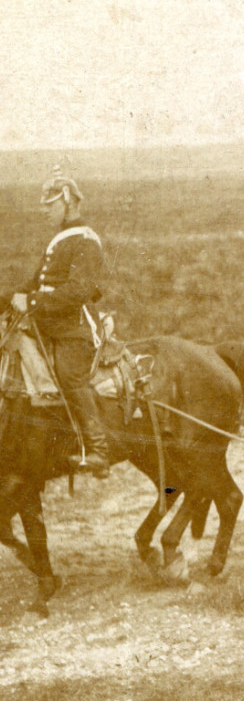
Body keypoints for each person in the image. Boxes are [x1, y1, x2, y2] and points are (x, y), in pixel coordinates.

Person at [8, 171, 110, 477]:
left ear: (67, 200)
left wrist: (34, 303)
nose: (44, 209)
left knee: (69, 376)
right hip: (45, 325)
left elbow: (80, 290)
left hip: (73, 328)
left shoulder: (86, 240)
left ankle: (98, 450)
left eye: (50, 203)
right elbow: (34, 282)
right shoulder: (59, 239)